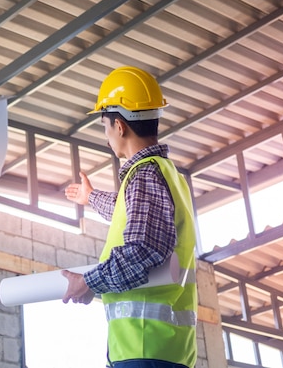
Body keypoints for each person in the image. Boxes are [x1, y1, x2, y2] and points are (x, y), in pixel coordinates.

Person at [62, 66, 197, 368]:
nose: (107, 137)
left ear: (119, 126)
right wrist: (91, 197)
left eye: (104, 127)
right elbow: (134, 214)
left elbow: (142, 250)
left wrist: (89, 282)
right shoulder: (167, 174)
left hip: (144, 348)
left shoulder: (146, 174)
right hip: (166, 349)